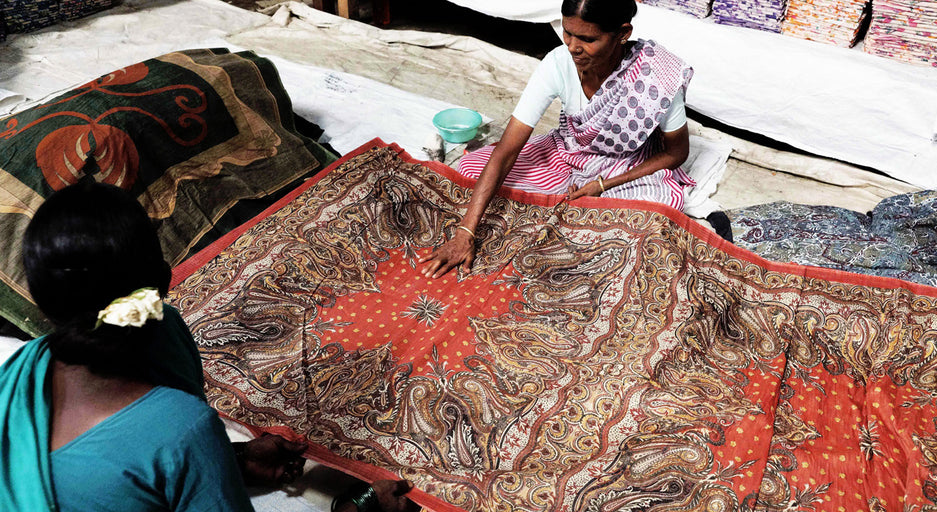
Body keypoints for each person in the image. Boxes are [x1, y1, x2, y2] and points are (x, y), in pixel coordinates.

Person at [0, 181, 418, 512]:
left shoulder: (18, 371)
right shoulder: (181, 428)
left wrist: (230, 460)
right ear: (164, 280)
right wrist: (361, 507)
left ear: (40, 299)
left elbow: (119, 474)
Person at [418, 0, 695, 278]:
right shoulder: (558, 63)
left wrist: (602, 184)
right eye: (568, 33)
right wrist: (465, 232)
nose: (573, 46)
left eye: (587, 39)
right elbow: (507, 150)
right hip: (567, 150)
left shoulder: (656, 76)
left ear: (623, 33)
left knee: (653, 215)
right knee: (471, 170)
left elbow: (676, 153)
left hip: (624, 162)